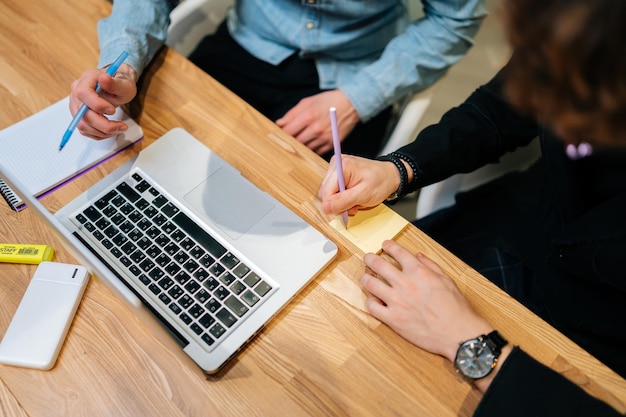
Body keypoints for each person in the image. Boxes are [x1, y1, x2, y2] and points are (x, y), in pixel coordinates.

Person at [318, 0, 626, 414]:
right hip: (519, 223)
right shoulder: (581, 26)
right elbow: (503, 109)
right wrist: (400, 169)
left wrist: (473, 346)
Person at [69, 0, 486, 160]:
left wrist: (362, 96)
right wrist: (120, 69)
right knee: (147, 167)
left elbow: (454, 20)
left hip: (355, 72)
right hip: (247, 43)